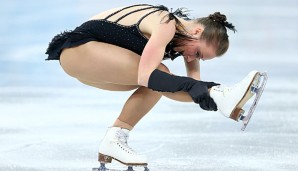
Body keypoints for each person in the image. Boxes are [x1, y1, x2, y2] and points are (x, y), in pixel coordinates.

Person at [45, 4, 260, 167]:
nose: (191, 57)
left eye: (199, 58)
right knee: (157, 75)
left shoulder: (187, 40)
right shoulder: (166, 24)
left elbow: (191, 85)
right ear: (196, 32)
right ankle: (222, 94)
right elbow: (148, 76)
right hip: (78, 50)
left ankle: (114, 139)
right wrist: (211, 91)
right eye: (198, 53)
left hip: (94, 64)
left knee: (159, 83)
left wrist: (209, 96)